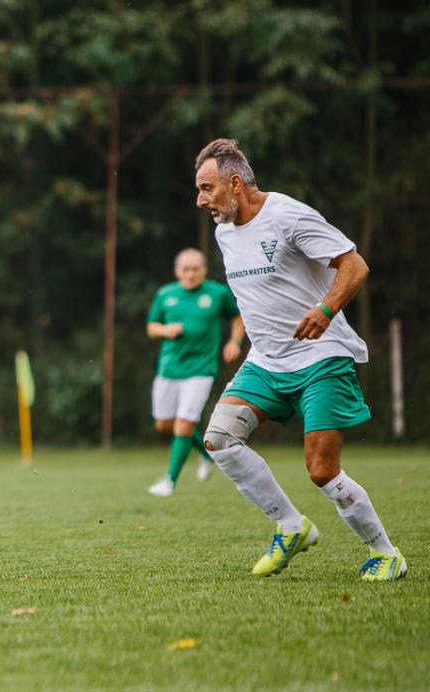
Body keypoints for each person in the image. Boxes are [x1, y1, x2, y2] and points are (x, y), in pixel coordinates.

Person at [194, 138, 406, 581]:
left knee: (321, 471)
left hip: (320, 358)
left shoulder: (287, 215)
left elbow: (355, 265)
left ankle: (386, 554)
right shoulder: (224, 232)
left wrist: (326, 309)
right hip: (266, 362)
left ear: (236, 183)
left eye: (207, 188)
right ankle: (292, 527)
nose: (201, 200)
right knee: (219, 440)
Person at [145, 247, 244, 496]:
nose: (191, 274)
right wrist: (165, 330)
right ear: (177, 271)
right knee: (164, 424)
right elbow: (151, 327)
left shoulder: (217, 293)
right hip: (169, 368)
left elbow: (237, 317)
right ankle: (206, 453)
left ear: (204, 270)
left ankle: (169, 481)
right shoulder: (165, 294)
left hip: (202, 368)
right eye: (186, 269)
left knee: (185, 422)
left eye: (196, 269)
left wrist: (234, 342)